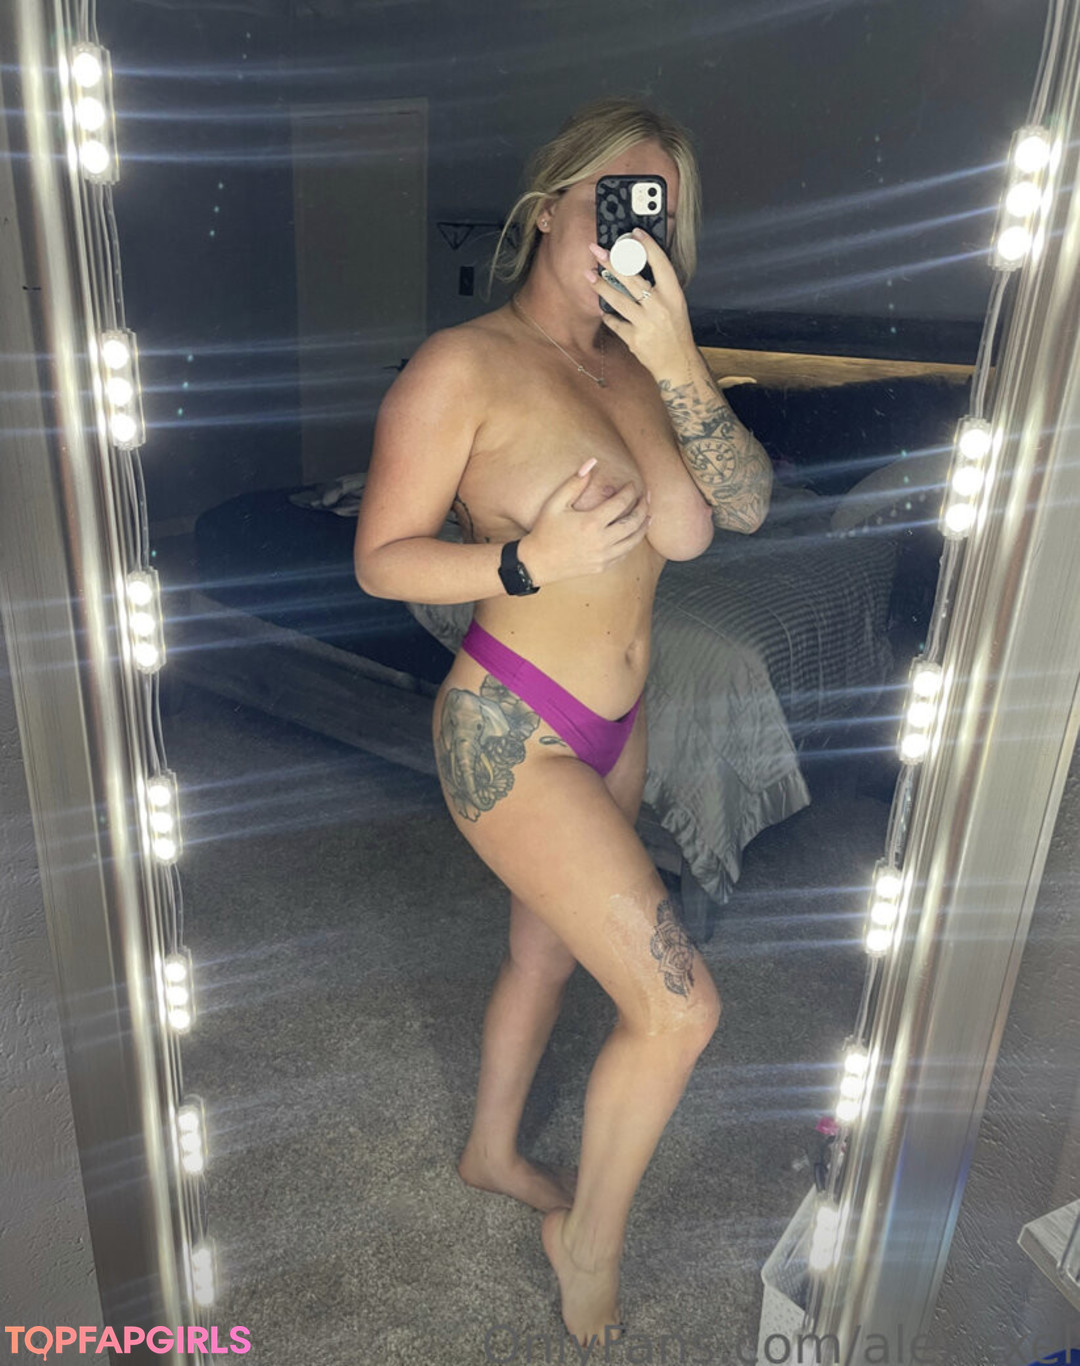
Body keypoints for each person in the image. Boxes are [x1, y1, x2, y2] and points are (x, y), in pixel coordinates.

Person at [353, 96, 773, 1349]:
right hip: (512, 728)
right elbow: (381, 558)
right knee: (679, 1008)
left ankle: (491, 1150)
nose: (633, 233)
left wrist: (683, 363)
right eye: (614, 201)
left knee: (544, 954)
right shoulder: (462, 365)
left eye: (659, 217)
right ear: (547, 210)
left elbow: (732, 512)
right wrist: (524, 562)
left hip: (618, 722)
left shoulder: (641, 373)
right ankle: (584, 1239)